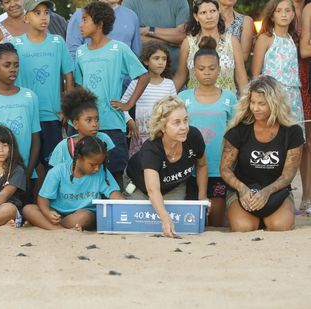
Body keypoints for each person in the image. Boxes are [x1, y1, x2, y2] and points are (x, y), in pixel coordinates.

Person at [75, 1, 149, 190]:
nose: (80, 24)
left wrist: (127, 103)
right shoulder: (81, 52)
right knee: (86, 173)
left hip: (112, 123)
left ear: (99, 23)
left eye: (85, 20)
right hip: (85, 126)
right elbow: (79, 87)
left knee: (115, 173)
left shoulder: (119, 49)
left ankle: (116, 212)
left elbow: (143, 75)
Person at [220, 76, 304, 232]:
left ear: (275, 104)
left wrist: (266, 192)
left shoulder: (293, 132)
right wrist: (243, 190)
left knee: (280, 226)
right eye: (252, 102)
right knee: (243, 227)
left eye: (262, 104)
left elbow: (288, 175)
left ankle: (267, 217)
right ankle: (251, 216)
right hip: (243, 189)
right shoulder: (239, 130)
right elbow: (225, 169)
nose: (255, 108)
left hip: (276, 190)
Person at [126, 96, 208, 238]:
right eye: (176, 122)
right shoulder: (152, 149)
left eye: (185, 120)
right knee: (141, 221)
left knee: (176, 220)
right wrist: (164, 218)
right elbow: (152, 190)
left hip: (173, 185)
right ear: (163, 126)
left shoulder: (193, 136)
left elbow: (202, 164)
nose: (184, 127)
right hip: (139, 184)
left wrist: (202, 197)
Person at [179, 37, 237, 227]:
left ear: (219, 70)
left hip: (219, 167)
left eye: (212, 69)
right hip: (190, 168)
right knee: (192, 222)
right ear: (193, 70)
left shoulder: (229, 98)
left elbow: (236, 135)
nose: (206, 73)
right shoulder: (183, 98)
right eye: (201, 69)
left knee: (216, 221)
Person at [0, 43, 41, 202]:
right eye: (7, 65)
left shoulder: (30, 97)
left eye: (16, 65)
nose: (13, 69)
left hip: (24, 174)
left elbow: (36, 139)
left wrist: (26, 172)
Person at [11, 0, 74, 167]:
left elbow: (68, 74)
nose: (43, 17)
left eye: (46, 12)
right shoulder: (15, 44)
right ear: (26, 18)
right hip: (25, 114)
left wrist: (66, 108)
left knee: (53, 164)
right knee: (25, 164)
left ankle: (49, 194)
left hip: (52, 115)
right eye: (37, 13)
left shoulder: (57, 42)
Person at [23, 136, 124, 231]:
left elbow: (114, 193)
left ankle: (49, 226)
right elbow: (43, 198)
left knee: (84, 217)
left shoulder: (101, 172)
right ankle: (60, 230)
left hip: (82, 215)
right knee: (28, 209)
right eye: (93, 164)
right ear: (79, 157)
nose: (97, 168)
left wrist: (123, 202)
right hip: (56, 214)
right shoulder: (58, 171)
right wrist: (47, 213)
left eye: (100, 164)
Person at [251, 0, 305, 134]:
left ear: (293, 14)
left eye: (288, 11)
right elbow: (255, 75)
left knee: (294, 137)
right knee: (274, 136)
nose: (284, 14)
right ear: (272, 16)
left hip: (293, 97)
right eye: (279, 11)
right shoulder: (265, 38)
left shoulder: (293, 39)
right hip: (272, 96)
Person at [173, 0, 248, 93]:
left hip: (227, 103)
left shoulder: (232, 41)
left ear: (218, 12)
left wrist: (246, 104)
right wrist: (165, 99)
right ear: (196, 16)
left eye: (213, 11)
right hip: (195, 103)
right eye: (203, 12)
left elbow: (241, 78)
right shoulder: (188, 43)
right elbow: (180, 76)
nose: (209, 16)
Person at [123, 41, 177, 157]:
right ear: (146, 61)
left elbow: (175, 109)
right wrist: (130, 122)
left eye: (164, 59)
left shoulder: (169, 84)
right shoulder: (136, 84)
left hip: (163, 135)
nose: (161, 62)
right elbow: (122, 107)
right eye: (156, 58)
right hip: (140, 136)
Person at [49, 86, 115, 167]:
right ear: (76, 124)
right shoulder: (63, 147)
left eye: (97, 119)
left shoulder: (104, 139)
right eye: (89, 120)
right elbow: (54, 175)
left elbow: (108, 171)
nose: (95, 124)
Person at [122, 0, 189, 75]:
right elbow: (131, 37)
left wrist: (148, 30)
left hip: (176, 74)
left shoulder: (180, 1)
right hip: (141, 75)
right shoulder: (130, 2)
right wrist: (170, 41)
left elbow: (182, 35)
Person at [66, 0, 141, 61]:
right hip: (89, 76)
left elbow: (135, 53)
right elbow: (72, 53)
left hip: (125, 78)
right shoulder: (81, 14)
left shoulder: (131, 16)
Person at [297, 0, 311, 212]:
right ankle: (306, 197)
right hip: (301, 77)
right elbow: (305, 49)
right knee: (306, 143)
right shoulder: (309, 9)